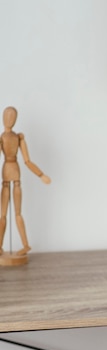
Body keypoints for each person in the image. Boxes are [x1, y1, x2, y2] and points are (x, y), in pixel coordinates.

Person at [0, 106, 51, 257]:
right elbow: (27, 161)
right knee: (7, 214)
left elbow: (28, 161)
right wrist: (41, 175)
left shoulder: (14, 138)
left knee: (13, 213)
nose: (9, 119)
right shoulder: (11, 138)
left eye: (11, 116)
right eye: (7, 116)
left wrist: (41, 175)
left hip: (12, 173)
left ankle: (25, 245)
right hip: (11, 173)